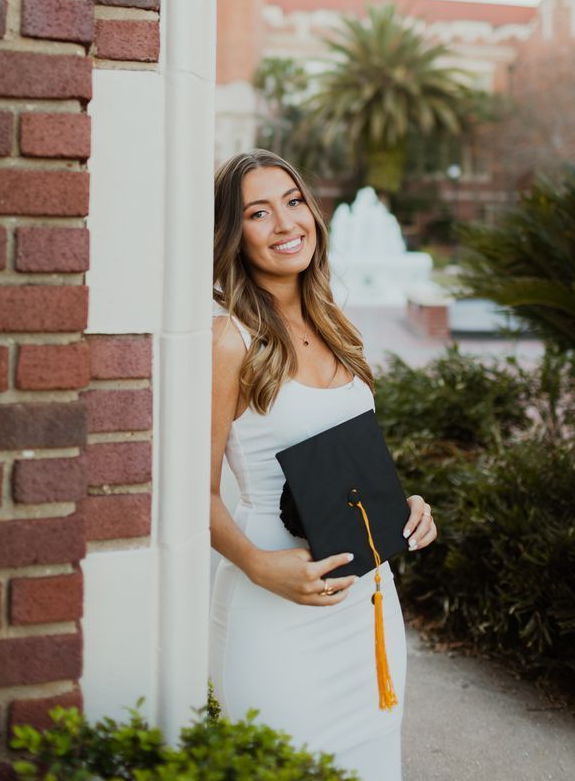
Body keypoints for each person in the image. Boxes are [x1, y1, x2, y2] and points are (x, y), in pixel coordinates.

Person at [208, 149, 437, 781]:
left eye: (293, 201)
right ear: (235, 233)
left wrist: (403, 509)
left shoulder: (337, 324)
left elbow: (348, 464)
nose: (286, 224)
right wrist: (258, 566)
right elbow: (189, 494)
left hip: (368, 605)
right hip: (276, 603)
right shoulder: (228, 341)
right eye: (259, 212)